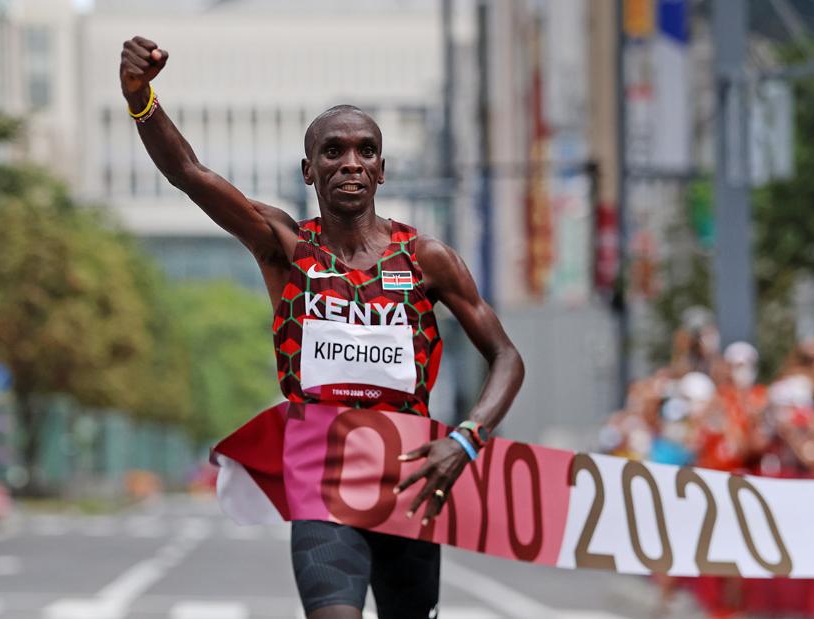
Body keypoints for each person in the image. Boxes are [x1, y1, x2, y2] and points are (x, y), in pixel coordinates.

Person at [119, 37, 525, 619]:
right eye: (333, 151)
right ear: (309, 170)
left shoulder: (427, 259)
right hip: (323, 477)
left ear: (382, 170)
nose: (351, 163)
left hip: (409, 476)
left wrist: (466, 437)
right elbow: (189, 173)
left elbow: (507, 358)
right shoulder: (285, 246)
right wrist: (140, 97)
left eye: (365, 151)